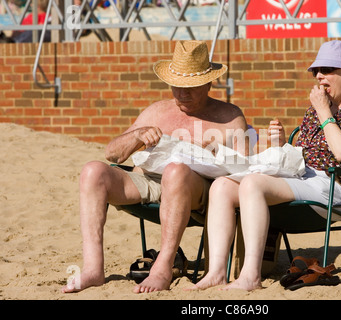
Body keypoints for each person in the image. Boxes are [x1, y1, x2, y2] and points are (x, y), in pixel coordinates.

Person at [191, 40, 341, 291]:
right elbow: (301, 157)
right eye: (316, 71)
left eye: (326, 70)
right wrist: (281, 145)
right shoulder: (315, 110)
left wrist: (324, 111)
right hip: (303, 178)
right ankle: (216, 271)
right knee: (222, 186)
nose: (318, 76)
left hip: (334, 189)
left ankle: (251, 274)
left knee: (251, 184)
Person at [61, 40, 249, 294]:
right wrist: (138, 135)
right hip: (149, 181)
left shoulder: (229, 116)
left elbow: (245, 169)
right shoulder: (158, 110)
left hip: (198, 189)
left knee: (176, 170)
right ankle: (93, 268)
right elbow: (112, 153)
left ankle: (163, 265)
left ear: (208, 83)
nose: (182, 94)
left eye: (190, 88)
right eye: (177, 86)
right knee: (93, 171)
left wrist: (213, 151)